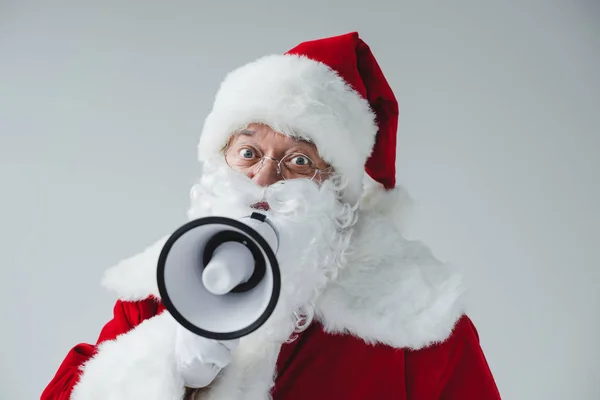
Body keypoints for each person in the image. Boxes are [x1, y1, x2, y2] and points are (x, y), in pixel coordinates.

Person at [41, 32, 502, 400]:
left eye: (299, 161)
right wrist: (166, 366)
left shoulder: (415, 320)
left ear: (337, 191)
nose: (264, 179)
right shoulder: (161, 291)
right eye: (248, 151)